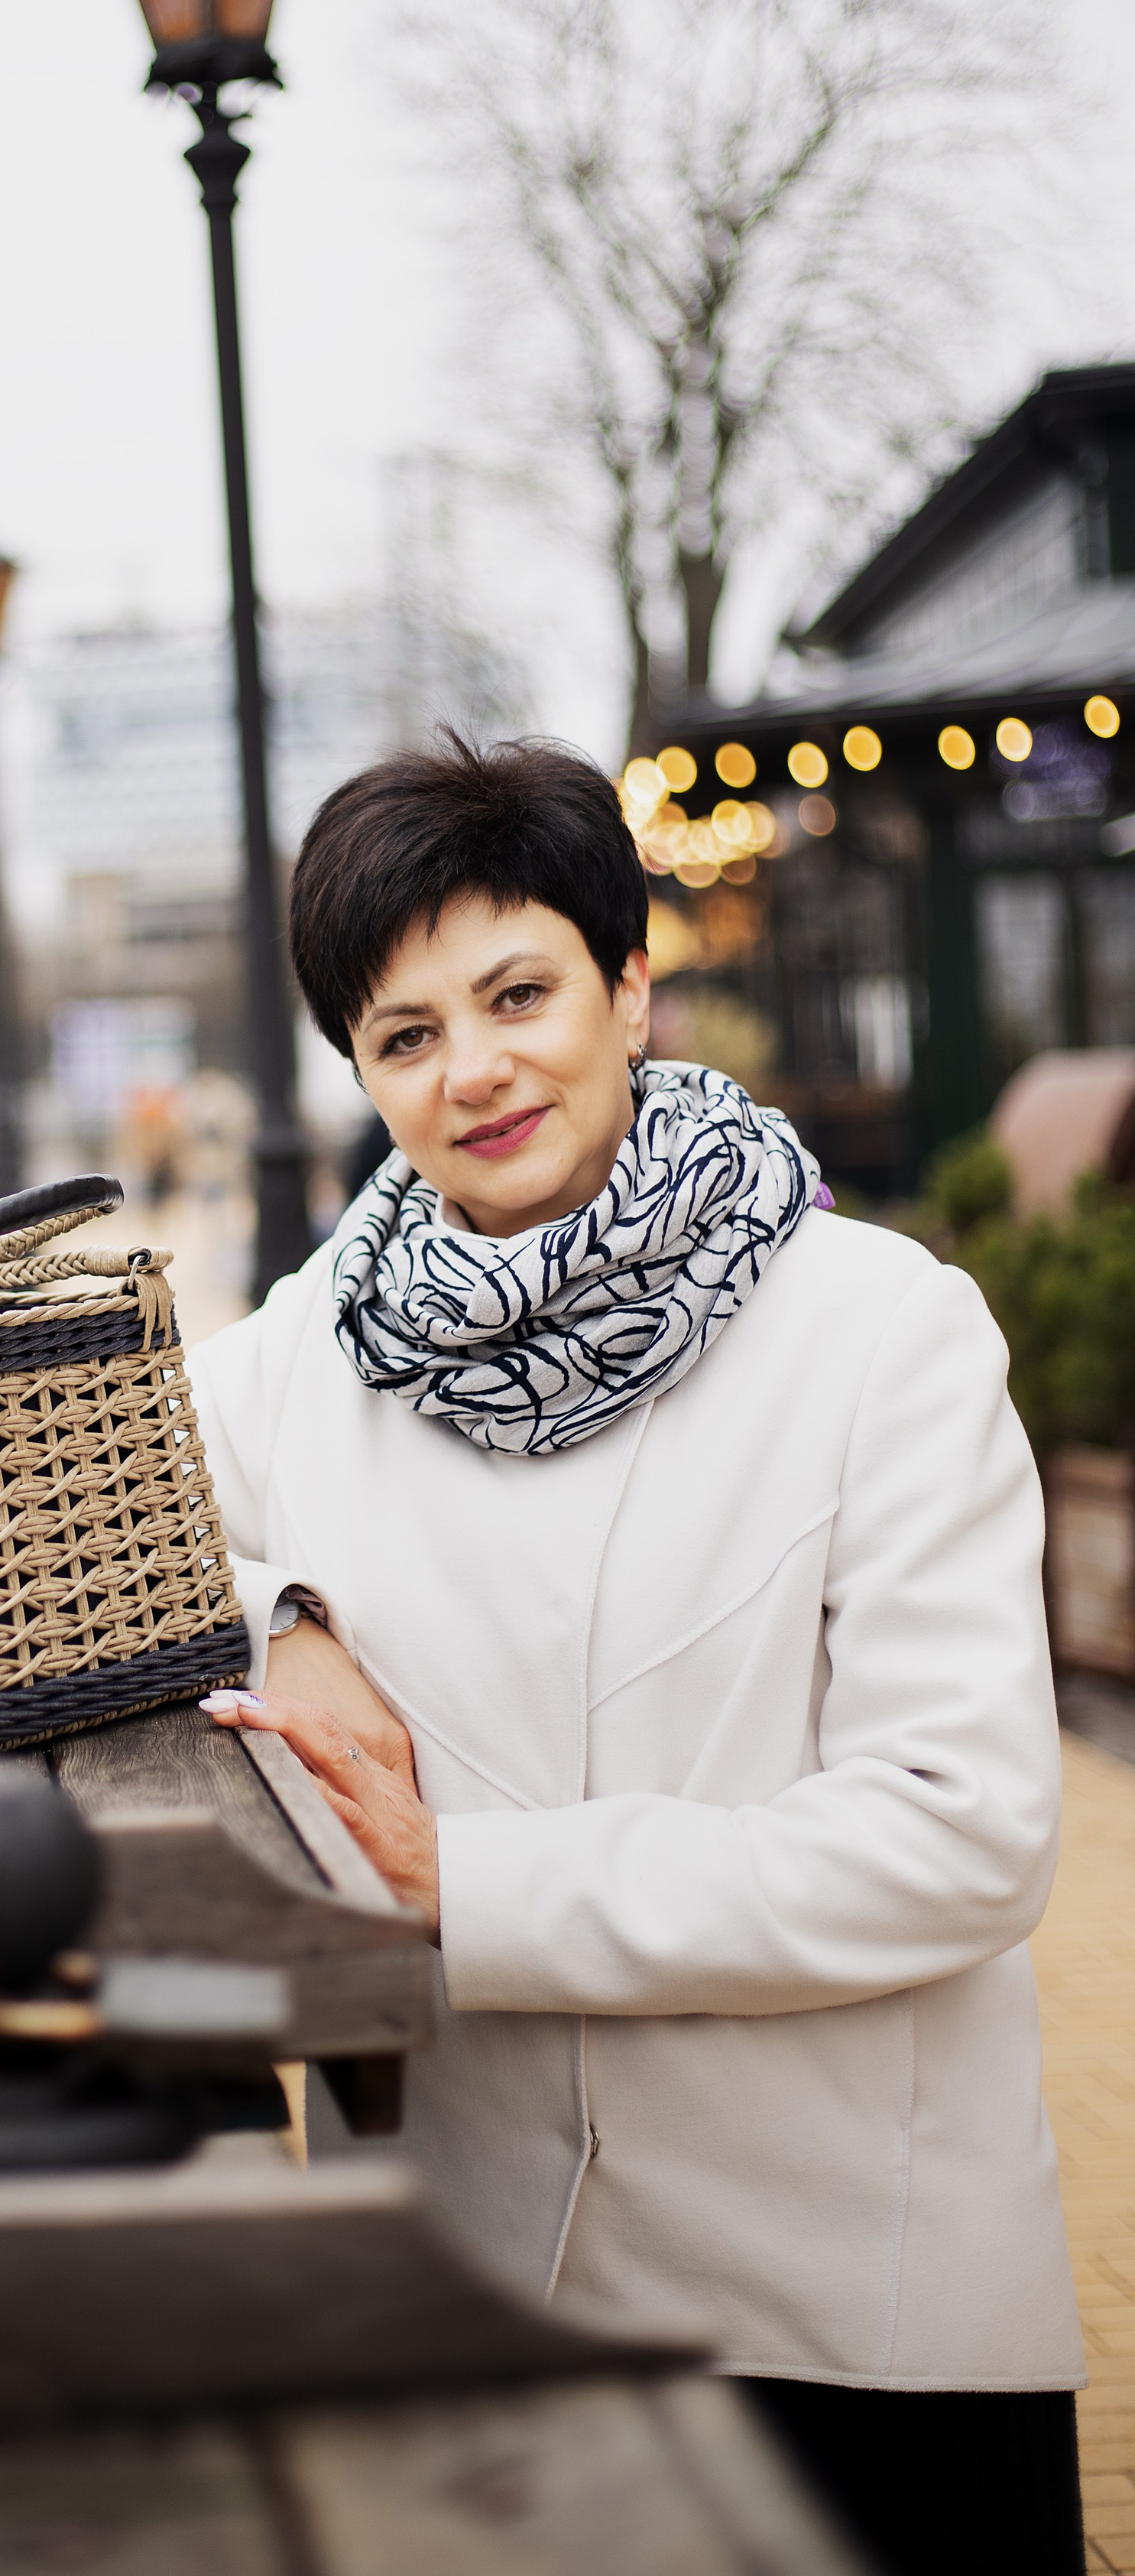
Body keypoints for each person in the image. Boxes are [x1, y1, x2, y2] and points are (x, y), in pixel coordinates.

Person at [191, 735, 1084, 2576]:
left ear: (627, 986)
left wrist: (469, 1886)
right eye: (404, 1034)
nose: (472, 1069)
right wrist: (289, 1623)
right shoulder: (305, 1350)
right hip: (464, 2307)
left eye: (516, 995)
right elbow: (96, 1522)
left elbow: (962, 1834)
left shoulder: (880, 1335)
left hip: (842, 2313)